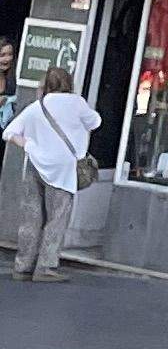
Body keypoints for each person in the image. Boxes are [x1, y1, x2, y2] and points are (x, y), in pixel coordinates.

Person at [5, 78, 99, 280]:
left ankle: (23, 267)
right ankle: (46, 267)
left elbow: (9, 132)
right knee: (57, 218)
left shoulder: (36, 106)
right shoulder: (77, 103)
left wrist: (29, 145)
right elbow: (95, 122)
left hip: (35, 166)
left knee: (31, 217)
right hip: (63, 171)